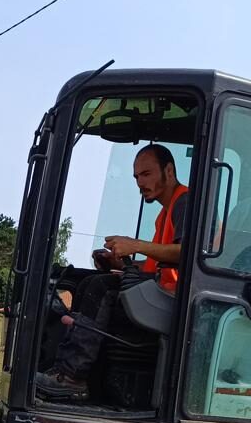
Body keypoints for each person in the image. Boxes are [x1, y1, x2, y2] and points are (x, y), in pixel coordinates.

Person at [35, 143, 189, 399]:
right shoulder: (164, 214)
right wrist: (121, 264)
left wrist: (135, 244)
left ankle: (72, 376)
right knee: (86, 281)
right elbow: (157, 264)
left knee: (100, 287)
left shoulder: (185, 201)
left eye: (147, 174)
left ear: (169, 171)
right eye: (137, 177)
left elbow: (186, 253)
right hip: (159, 288)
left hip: (174, 299)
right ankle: (62, 369)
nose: (140, 183)